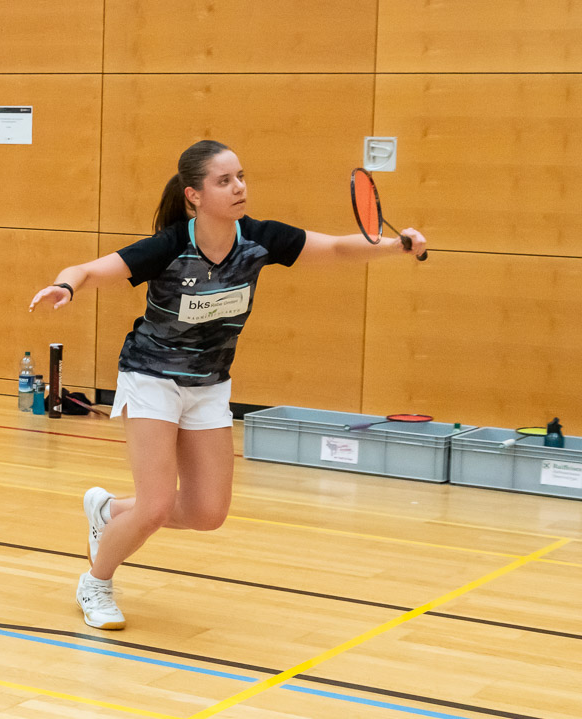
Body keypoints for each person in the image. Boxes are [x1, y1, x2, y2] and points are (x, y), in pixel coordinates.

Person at [28, 140, 427, 630]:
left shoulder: (259, 239)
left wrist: (396, 247)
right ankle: (96, 583)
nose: (239, 187)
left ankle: (108, 512)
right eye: (224, 181)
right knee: (155, 506)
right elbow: (90, 270)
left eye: (240, 177)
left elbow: (337, 247)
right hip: (152, 376)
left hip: (209, 383)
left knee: (207, 512)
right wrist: (65, 285)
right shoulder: (169, 246)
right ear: (194, 195)